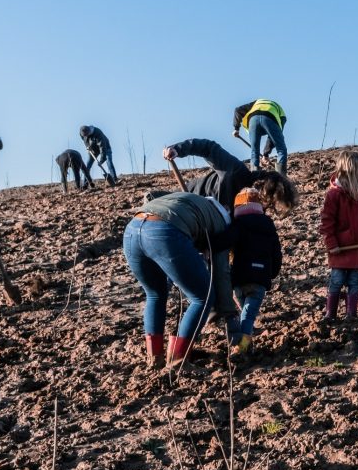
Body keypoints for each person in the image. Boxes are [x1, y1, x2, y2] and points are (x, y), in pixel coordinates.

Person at [123, 191, 235, 370]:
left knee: (155, 295)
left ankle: (155, 358)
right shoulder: (223, 223)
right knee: (202, 297)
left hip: (132, 231)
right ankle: (178, 361)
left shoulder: (192, 202)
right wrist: (228, 313)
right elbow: (220, 273)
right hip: (164, 232)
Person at [318, 150, 358, 321]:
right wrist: (332, 244)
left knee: (354, 281)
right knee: (337, 280)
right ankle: (330, 314)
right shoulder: (334, 194)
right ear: (351, 169)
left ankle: (351, 314)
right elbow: (327, 222)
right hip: (341, 249)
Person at [160, 139, 298, 212]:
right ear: (264, 189)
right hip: (186, 198)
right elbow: (208, 148)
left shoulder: (251, 207)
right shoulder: (235, 170)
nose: (266, 207)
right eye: (269, 202)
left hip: (202, 221)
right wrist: (178, 149)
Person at [224, 187, 283, 355]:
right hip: (260, 277)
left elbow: (226, 245)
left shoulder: (235, 225)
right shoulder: (268, 223)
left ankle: (243, 345)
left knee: (245, 313)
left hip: (239, 277)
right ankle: (242, 348)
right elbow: (276, 252)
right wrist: (272, 272)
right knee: (248, 316)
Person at [233, 100, 289, 175]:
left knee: (254, 151)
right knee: (281, 149)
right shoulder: (282, 115)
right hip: (269, 119)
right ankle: (282, 177)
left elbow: (237, 110)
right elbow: (273, 138)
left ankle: (255, 177)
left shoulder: (257, 103)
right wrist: (266, 154)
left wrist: (236, 128)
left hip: (253, 121)